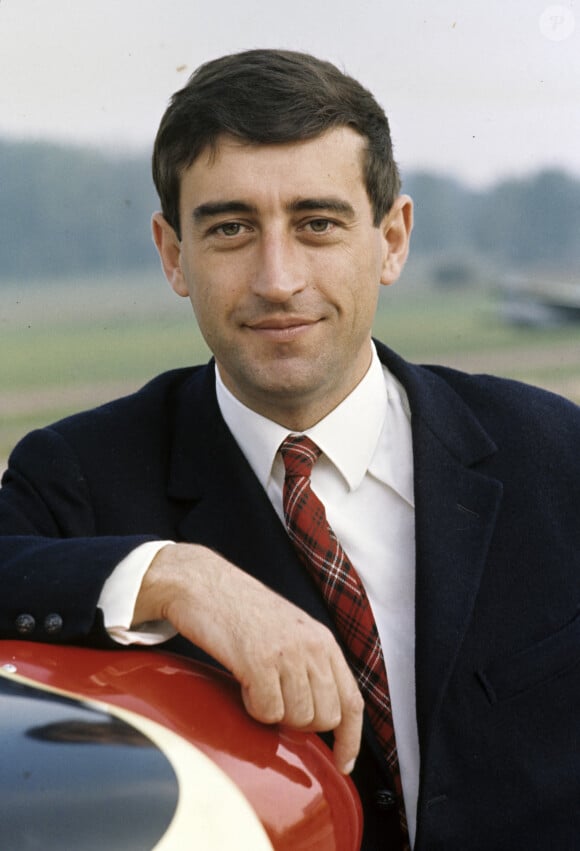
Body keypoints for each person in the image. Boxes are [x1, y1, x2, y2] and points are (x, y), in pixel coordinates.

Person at [1, 49, 579, 851]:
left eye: (317, 223)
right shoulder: (74, 478)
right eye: (231, 227)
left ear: (392, 238)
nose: (278, 278)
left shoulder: (557, 455)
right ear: (174, 253)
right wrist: (174, 575)